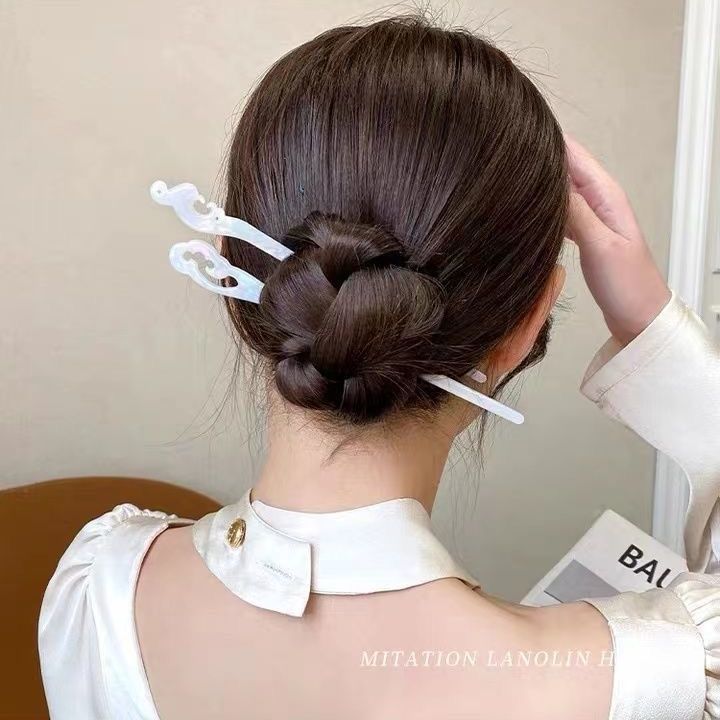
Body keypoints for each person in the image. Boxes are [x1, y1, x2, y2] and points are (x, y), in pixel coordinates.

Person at [38, 15, 720, 720]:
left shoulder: (99, 592)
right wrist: (656, 331)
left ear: (230, 268)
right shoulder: (655, 678)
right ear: (527, 325)